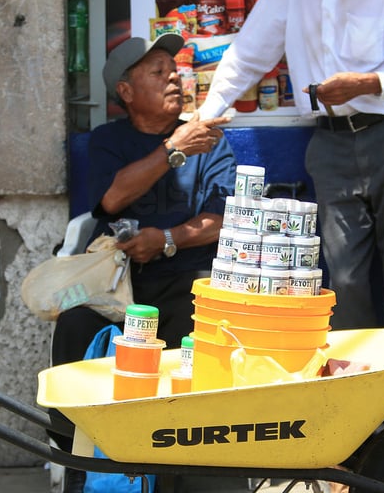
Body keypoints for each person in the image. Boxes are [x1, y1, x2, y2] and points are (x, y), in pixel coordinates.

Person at [197, 0, 384, 329]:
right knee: (340, 279)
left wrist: (370, 83)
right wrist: (206, 114)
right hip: (329, 141)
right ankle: (352, 389)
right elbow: (252, 50)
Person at [49, 33, 236, 492]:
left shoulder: (207, 137)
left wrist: (167, 239)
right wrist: (173, 149)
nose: (173, 76)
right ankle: (79, 462)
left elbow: (221, 219)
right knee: (75, 325)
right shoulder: (109, 141)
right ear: (126, 93)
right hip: (118, 286)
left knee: (202, 332)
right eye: (158, 71)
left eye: (174, 69)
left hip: (186, 279)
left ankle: (193, 476)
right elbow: (112, 198)